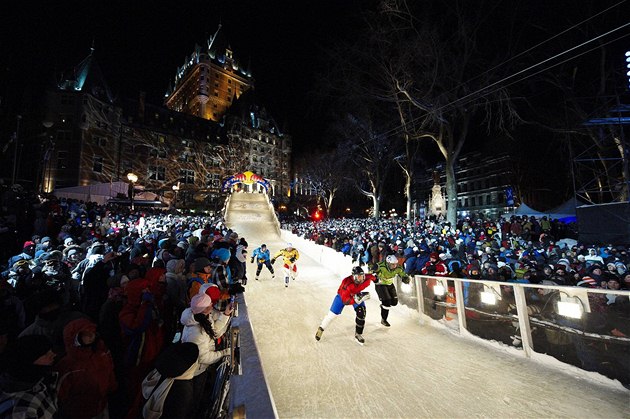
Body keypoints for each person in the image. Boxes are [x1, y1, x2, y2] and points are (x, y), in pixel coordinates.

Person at [315, 266, 377, 345]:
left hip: (355, 295)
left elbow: (370, 276)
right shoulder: (347, 283)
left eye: (362, 276)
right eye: (358, 277)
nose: (361, 279)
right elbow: (345, 301)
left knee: (362, 312)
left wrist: (376, 279)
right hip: (342, 297)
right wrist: (356, 299)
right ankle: (321, 328)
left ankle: (358, 334)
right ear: (353, 277)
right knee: (331, 316)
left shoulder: (365, 278)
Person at [372, 254, 410, 327]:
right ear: (388, 263)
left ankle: (383, 306)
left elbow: (402, 273)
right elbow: (372, 271)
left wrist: (405, 278)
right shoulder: (381, 266)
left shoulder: (398, 267)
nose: (394, 266)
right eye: (392, 264)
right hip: (381, 284)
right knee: (387, 302)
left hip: (390, 284)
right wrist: (374, 276)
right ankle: (384, 319)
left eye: (395, 264)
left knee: (394, 302)